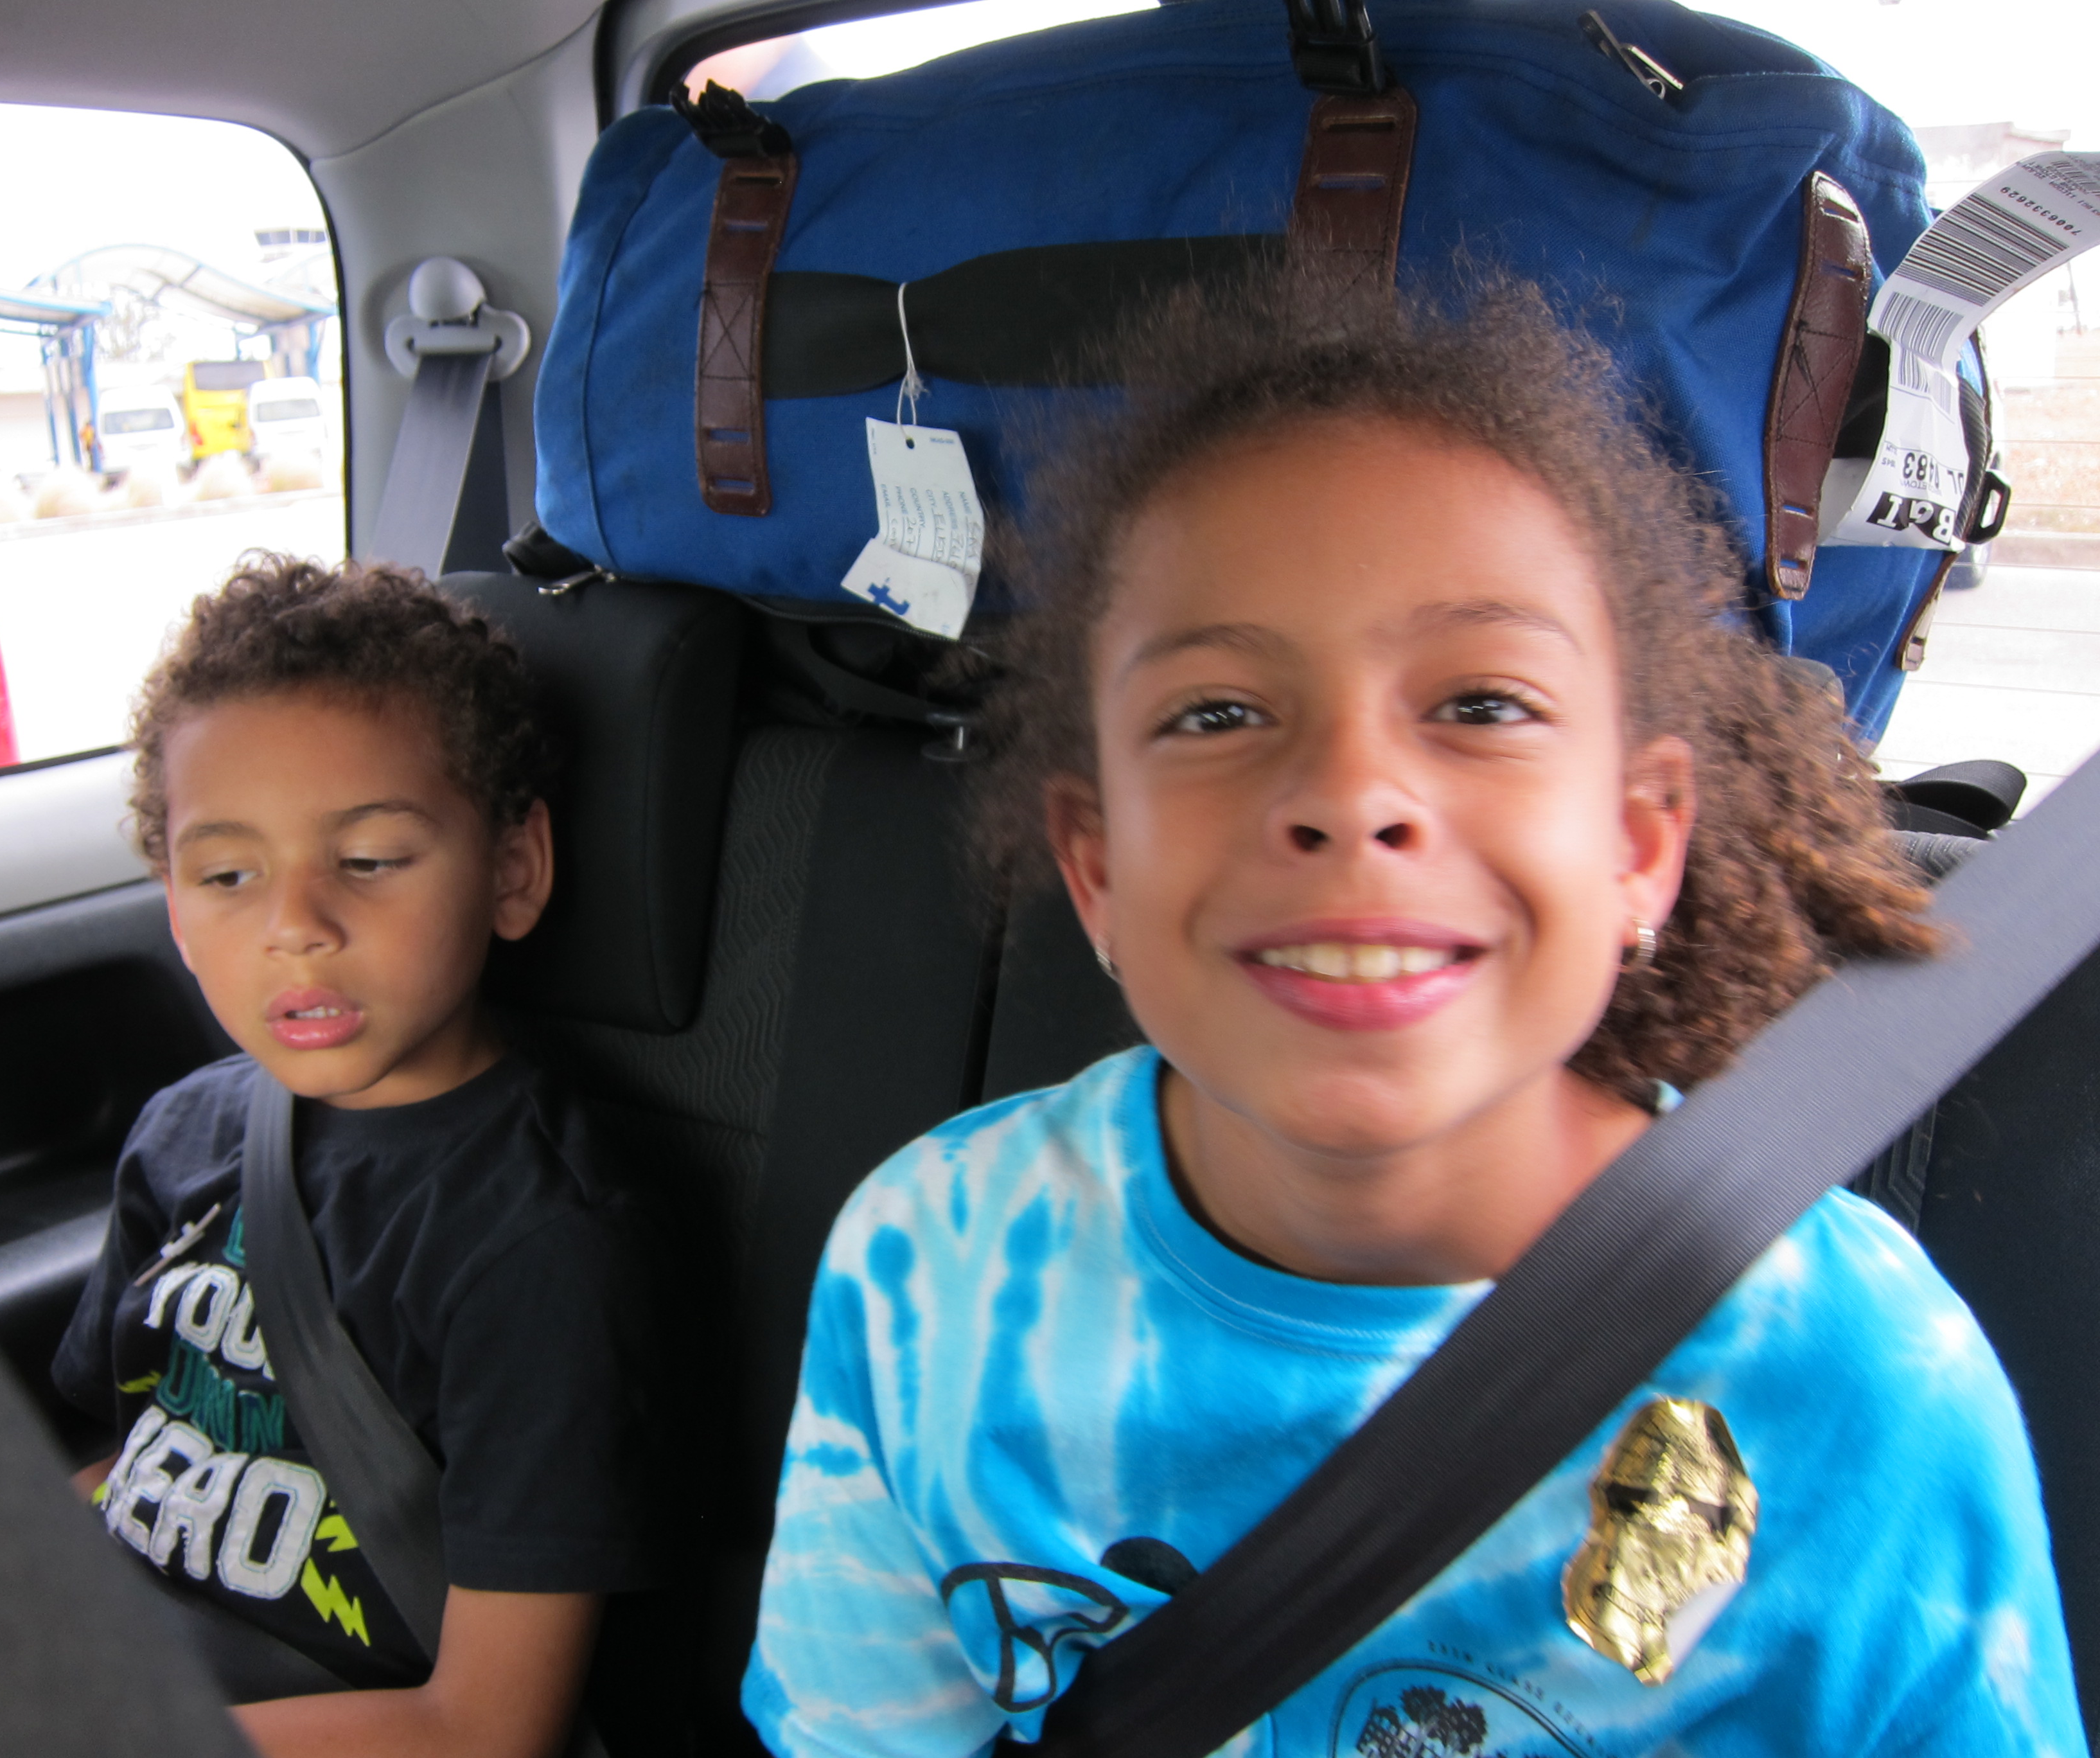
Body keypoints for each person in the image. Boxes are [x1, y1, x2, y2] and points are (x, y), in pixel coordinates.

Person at [741, 267, 2087, 1757]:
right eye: (1217, 713)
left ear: (1638, 845)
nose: (1351, 794)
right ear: (1099, 868)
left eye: (1483, 705)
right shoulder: (931, 1263)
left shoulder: (1856, 1372)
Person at [55, 555, 673, 1758]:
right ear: (175, 911)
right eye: (228, 876)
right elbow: (135, 1463)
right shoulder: (181, 1134)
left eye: (371, 859)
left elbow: (485, 1728)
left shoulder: (540, 1241)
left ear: (512, 871)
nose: (296, 925)